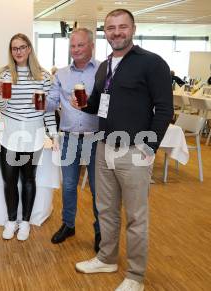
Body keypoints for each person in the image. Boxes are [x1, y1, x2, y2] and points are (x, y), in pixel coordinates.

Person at [72, 9, 173, 291]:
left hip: (134, 151)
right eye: (111, 27)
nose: (117, 32)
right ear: (105, 32)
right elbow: (96, 104)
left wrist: (150, 146)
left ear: (133, 29)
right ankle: (107, 258)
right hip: (104, 146)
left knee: (136, 217)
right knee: (106, 210)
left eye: (122, 27)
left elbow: (164, 109)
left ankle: (136, 276)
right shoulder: (105, 66)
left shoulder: (152, 64)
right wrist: (81, 105)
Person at [0, 33, 58, 241]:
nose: (18, 52)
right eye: (14, 48)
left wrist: (54, 134)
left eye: (22, 47)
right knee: (9, 180)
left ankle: (26, 222)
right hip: (9, 132)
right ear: (10, 51)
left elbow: (48, 111)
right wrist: (0, 96)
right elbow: (1, 108)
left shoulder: (44, 76)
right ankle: (11, 221)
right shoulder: (4, 74)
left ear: (29, 48)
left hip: (34, 133)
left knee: (29, 179)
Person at [46, 28, 101, 252]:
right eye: (72, 45)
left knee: (98, 189)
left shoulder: (103, 71)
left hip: (96, 138)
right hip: (68, 137)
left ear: (91, 46)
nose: (75, 50)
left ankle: (100, 231)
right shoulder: (61, 74)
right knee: (68, 186)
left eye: (80, 45)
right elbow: (51, 103)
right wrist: (41, 101)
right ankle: (68, 225)